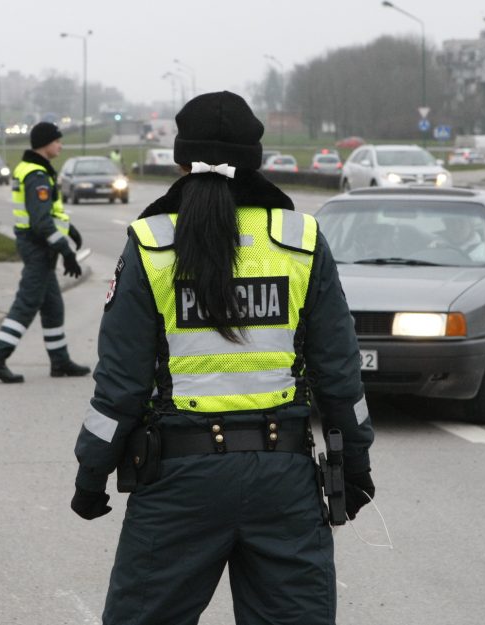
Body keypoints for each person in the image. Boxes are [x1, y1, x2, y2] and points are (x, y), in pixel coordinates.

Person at [70, 91, 375, 624]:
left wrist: (91, 475)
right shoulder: (300, 240)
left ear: (180, 161)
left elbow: (119, 386)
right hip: (284, 480)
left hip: (176, 482)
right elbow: (339, 374)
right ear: (255, 160)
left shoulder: (150, 244)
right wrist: (356, 463)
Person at [0, 122, 91, 383]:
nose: (60, 145)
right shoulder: (37, 176)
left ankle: (59, 361)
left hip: (40, 247)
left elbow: (49, 213)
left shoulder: (36, 170)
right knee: (26, 305)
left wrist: (70, 230)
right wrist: (67, 252)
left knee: (53, 306)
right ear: (45, 143)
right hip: (38, 247)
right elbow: (41, 222)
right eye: (57, 141)